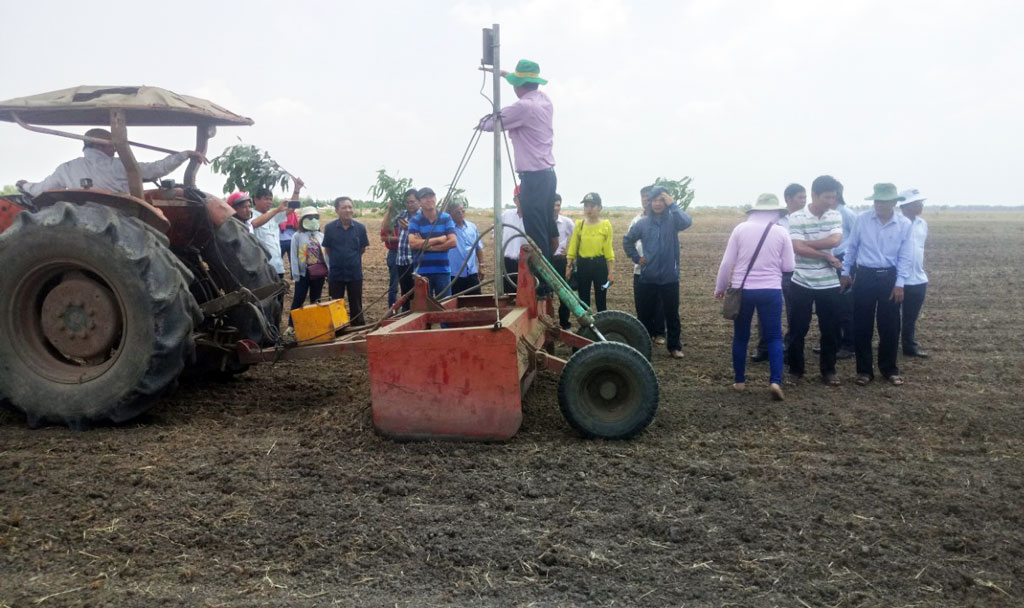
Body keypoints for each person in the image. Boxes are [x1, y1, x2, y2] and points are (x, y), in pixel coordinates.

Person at [477, 59, 557, 271]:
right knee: (544, 228)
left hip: (534, 178)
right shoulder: (544, 100)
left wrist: (481, 122)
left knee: (535, 232)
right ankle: (545, 280)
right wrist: (504, 74)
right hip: (547, 176)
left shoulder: (523, 107)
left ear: (518, 86)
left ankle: (542, 281)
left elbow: (489, 124)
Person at [714, 193, 794, 400]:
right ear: (775, 212)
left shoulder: (740, 229)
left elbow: (726, 263)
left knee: (741, 336)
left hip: (744, 290)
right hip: (771, 290)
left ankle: (739, 381)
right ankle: (775, 381)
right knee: (774, 337)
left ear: (754, 211)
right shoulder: (781, 232)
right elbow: (789, 266)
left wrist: (720, 288)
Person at [840, 183, 915, 386]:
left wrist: (900, 283)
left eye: (884, 201)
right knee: (862, 325)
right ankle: (864, 371)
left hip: (890, 278)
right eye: (877, 200)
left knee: (890, 326)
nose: (879, 204)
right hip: (864, 276)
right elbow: (852, 247)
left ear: (893, 202)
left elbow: (906, 256)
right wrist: (845, 272)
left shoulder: (904, 224)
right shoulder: (862, 220)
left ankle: (889, 369)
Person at [17, 128, 205, 197]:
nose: (115, 149)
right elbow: (156, 169)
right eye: (112, 146)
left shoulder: (67, 168)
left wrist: (25, 185)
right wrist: (184, 155)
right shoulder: (121, 165)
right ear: (100, 145)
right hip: (123, 220)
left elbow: (41, 189)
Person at [623, 186, 693, 359]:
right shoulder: (643, 223)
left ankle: (674, 347)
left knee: (672, 314)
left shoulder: (673, 221)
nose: (657, 204)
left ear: (666, 201)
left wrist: (673, 204)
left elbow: (687, 222)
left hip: (670, 277)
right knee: (645, 315)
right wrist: (637, 258)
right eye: (654, 200)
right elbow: (627, 241)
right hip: (648, 276)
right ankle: (644, 347)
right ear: (649, 202)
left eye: (661, 200)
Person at [788, 175, 844, 386]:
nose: (830, 202)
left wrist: (807, 245)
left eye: (833, 197)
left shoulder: (835, 215)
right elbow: (796, 248)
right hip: (801, 281)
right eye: (827, 197)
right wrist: (826, 255)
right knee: (797, 329)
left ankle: (828, 371)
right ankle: (795, 370)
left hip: (829, 283)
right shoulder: (797, 216)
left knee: (830, 329)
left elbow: (834, 240)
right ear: (814, 195)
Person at [753, 183, 805, 362]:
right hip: (769, 271)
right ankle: (764, 347)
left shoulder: (798, 221)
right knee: (765, 311)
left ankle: (790, 347)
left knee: (794, 311)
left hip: (792, 272)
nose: (804, 201)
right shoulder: (762, 224)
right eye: (800, 197)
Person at [322, 197, 370, 326]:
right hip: (336, 273)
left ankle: (358, 329)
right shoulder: (330, 228)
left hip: (354, 273)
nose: (348, 210)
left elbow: (362, 249)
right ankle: (338, 330)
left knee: (356, 304)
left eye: (350, 207)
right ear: (337, 210)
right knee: (336, 305)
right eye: (344, 207)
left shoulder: (360, 228)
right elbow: (328, 249)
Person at [629, 186, 666, 344]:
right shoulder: (636, 220)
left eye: (648, 197)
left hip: (660, 270)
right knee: (642, 303)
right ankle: (644, 334)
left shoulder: (665, 219)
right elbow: (629, 241)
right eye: (643, 197)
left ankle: (659, 334)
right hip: (640, 269)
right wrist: (637, 258)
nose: (645, 200)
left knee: (659, 303)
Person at [566, 192, 615, 313]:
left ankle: (602, 325)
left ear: (600, 207)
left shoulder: (606, 225)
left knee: (601, 298)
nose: (588, 209)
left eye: (592, 206)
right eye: (586, 206)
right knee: (583, 299)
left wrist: (611, 271)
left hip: (600, 266)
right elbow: (573, 247)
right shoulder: (580, 225)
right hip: (583, 265)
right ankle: (586, 328)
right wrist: (568, 266)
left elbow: (609, 250)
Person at [407, 187, 456, 298]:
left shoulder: (446, 218)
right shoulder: (415, 220)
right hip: (421, 273)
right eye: (425, 198)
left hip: (442, 271)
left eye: (431, 197)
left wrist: (426, 245)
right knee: (424, 307)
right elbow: (413, 243)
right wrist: (439, 240)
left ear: (435, 198)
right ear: (419, 202)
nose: (429, 200)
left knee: (444, 305)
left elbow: (453, 242)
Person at [898, 188, 929, 358]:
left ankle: (909, 347)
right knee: (892, 318)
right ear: (907, 205)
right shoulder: (896, 224)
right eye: (918, 202)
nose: (921, 205)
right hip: (898, 280)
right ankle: (889, 345)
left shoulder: (922, 224)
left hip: (918, 279)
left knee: (910, 317)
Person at [252, 180, 303, 279]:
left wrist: (296, 189)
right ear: (256, 200)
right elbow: (255, 223)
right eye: (266, 199)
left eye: (271, 199)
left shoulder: (273, 216)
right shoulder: (251, 215)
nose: (269, 202)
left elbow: (291, 209)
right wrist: (276, 210)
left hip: (277, 266)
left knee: (279, 294)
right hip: (262, 269)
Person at [830, 182, 858, 358]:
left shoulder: (846, 213)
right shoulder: (827, 214)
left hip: (845, 261)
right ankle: (834, 342)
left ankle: (849, 345)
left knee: (846, 305)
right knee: (832, 305)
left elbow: (856, 240)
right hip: (830, 261)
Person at [288, 206, 328, 327]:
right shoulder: (297, 236)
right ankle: (291, 325)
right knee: (298, 298)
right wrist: (295, 274)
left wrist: (329, 271)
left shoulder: (321, 236)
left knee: (316, 299)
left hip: (318, 273)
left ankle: (314, 323)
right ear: (303, 219)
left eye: (315, 217)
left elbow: (326, 255)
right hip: (303, 273)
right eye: (309, 217)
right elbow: (294, 256)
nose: (313, 220)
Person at [447, 200, 485, 295]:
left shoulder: (472, 227)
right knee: (455, 303)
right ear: (450, 213)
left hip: (471, 272)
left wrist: (481, 265)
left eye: (462, 211)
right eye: (457, 212)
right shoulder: (447, 228)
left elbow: (478, 248)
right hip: (454, 274)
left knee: (476, 302)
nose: (460, 214)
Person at [393, 188, 421, 311]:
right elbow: (391, 223)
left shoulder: (423, 216)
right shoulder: (402, 215)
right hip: (401, 259)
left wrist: (411, 227)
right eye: (407, 202)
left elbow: (427, 234)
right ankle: (406, 313)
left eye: (413, 201)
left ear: (419, 201)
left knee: (418, 292)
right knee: (405, 292)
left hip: (415, 259)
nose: (410, 205)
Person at [551, 194, 576, 329]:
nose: (555, 208)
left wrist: (570, 255)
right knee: (546, 295)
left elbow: (577, 238)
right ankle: (548, 323)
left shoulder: (567, 222)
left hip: (561, 262)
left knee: (564, 295)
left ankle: (565, 324)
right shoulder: (543, 222)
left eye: (558, 205)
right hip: (547, 262)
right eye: (553, 205)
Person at [500, 186, 527, 294]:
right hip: (508, 262)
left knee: (525, 294)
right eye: (520, 197)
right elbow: (497, 233)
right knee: (509, 293)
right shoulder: (507, 215)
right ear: (515, 200)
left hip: (526, 262)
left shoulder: (534, 217)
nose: (523, 200)